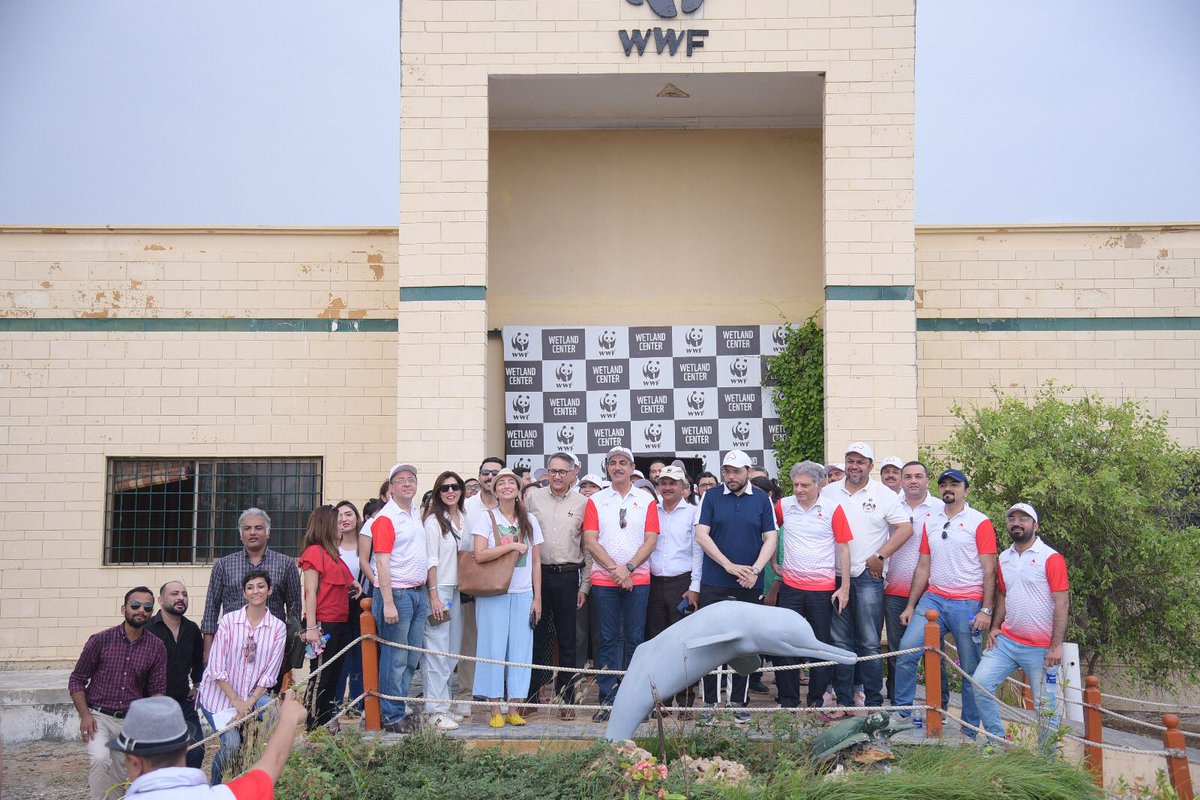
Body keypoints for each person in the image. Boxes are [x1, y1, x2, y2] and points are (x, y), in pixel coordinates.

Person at [892, 469, 998, 736]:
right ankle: (902, 712)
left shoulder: (980, 522)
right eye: (944, 484)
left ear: (966, 490)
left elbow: (990, 569)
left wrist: (986, 609)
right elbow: (923, 566)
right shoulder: (931, 520)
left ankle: (969, 728)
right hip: (934, 599)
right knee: (907, 650)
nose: (948, 488)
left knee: (970, 668)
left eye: (955, 484)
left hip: (968, 602)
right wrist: (910, 605)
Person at [820, 443, 912, 710]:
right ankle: (844, 700)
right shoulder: (829, 491)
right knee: (839, 642)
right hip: (835, 576)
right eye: (850, 461)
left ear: (871, 466)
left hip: (867, 576)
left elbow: (905, 529)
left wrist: (880, 556)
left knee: (870, 643)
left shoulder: (884, 494)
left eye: (861, 462)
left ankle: (873, 702)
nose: (854, 466)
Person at [973, 503, 1069, 749]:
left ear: (1035, 526)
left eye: (1023, 519)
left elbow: (1061, 603)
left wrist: (1056, 646)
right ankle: (997, 743)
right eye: (1012, 519)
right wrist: (995, 626)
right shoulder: (1004, 558)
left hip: (1041, 649)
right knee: (980, 683)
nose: (1016, 523)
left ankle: (1048, 762)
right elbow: (1003, 594)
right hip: (1007, 641)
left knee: (1045, 707)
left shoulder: (1051, 558)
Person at [693, 450, 778, 722]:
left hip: (749, 584)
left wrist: (755, 570)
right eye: (727, 471)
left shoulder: (762, 499)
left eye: (736, 471)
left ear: (747, 472)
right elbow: (701, 535)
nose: (730, 476)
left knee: (744, 644)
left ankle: (738, 702)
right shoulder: (711, 496)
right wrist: (728, 565)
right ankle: (709, 704)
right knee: (710, 643)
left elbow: (771, 538)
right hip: (714, 582)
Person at [106, 691, 309, 799]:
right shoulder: (226, 796)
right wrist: (288, 718)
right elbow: (270, 766)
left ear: (134, 762)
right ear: (185, 747)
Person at [582, 446, 660, 721]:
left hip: (638, 579)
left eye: (623, 463)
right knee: (607, 638)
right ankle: (608, 700)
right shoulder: (596, 500)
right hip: (605, 581)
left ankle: (633, 702)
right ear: (607, 467)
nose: (617, 467)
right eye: (612, 463)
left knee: (635, 639)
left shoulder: (647, 500)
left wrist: (627, 568)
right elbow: (590, 540)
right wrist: (616, 571)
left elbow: (651, 539)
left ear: (632, 467)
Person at [69, 586, 168, 800]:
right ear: (124, 608)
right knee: (100, 759)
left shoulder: (157, 647)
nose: (141, 610)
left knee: (120, 775)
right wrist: (85, 715)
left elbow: (157, 691)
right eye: (135, 605)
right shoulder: (100, 640)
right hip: (98, 717)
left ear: (152, 612)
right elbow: (77, 680)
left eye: (147, 607)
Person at [773, 461, 852, 714]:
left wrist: (845, 587)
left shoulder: (832, 508)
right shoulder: (783, 505)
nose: (799, 490)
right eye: (796, 485)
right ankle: (788, 700)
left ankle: (816, 700)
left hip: (822, 589)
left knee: (820, 644)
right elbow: (770, 533)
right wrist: (774, 562)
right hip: (790, 587)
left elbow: (844, 548)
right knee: (785, 643)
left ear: (820, 484)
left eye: (805, 485)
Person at [196, 570, 287, 785]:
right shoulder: (229, 621)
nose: (256, 591)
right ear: (244, 593)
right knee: (232, 744)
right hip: (219, 696)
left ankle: (259, 769)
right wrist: (237, 702)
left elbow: (270, 674)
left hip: (252, 694)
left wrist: (249, 703)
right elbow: (216, 668)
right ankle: (215, 787)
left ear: (269, 590)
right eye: (250, 587)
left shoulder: (278, 628)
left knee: (274, 715)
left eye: (261, 586)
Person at [471, 468, 544, 728]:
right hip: (494, 592)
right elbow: (480, 554)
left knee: (521, 651)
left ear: (518, 488)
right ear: (494, 490)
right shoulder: (485, 517)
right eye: (500, 483)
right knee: (492, 649)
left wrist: (537, 597)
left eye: (510, 482)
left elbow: (536, 561)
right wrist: (511, 546)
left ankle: (514, 707)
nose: (505, 486)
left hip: (523, 593)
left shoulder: (530, 520)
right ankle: (494, 708)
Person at [201, 508, 301, 684]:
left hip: (271, 647)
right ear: (241, 535)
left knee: (267, 696)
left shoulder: (286, 564)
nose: (253, 532)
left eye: (258, 528)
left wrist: (287, 652)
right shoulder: (223, 565)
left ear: (268, 532)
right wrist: (208, 651)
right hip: (232, 647)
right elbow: (211, 609)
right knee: (231, 696)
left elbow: (294, 611)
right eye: (247, 528)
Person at [525, 452, 590, 719]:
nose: (557, 476)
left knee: (567, 640)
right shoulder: (533, 498)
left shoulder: (584, 503)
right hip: (538, 576)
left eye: (563, 471)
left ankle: (566, 698)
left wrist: (585, 585)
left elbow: (587, 546)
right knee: (536, 637)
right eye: (553, 471)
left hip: (568, 576)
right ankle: (531, 696)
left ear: (573, 473)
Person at [372, 462, 430, 734]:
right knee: (394, 658)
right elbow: (381, 562)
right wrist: (388, 602)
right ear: (391, 487)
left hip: (417, 592)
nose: (407, 484)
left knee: (410, 658)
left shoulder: (414, 513)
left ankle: (400, 706)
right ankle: (391, 715)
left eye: (411, 479)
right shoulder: (386, 518)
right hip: (397, 593)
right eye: (401, 480)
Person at [883, 461, 944, 703]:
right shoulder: (891, 505)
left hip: (931, 593)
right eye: (907, 476)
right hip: (895, 589)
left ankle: (939, 703)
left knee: (933, 651)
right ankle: (897, 705)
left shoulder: (940, 508)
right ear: (901, 480)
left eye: (918, 476)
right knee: (897, 650)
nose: (913, 481)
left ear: (927, 480)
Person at [298, 505, 360, 732]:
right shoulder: (315, 552)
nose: (341, 526)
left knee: (334, 675)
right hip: (323, 623)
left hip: (341, 621)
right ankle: (312, 726)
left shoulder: (333, 554)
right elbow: (310, 591)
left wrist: (353, 583)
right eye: (337, 523)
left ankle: (324, 722)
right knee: (321, 676)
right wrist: (311, 627)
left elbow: (345, 578)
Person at [645, 464, 701, 708]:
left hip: (682, 583)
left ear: (684, 487)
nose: (667, 487)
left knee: (685, 644)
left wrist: (695, 586)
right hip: (654, 583)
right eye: (663, 483)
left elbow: (698, 553)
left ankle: (686, 700)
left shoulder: (693, 513)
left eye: (673, 483)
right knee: (658, 644)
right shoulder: (650, 511)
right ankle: (662, 700)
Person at [421, 470, 468, 730]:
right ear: (438, 493)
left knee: (451, 650)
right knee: (436, 650)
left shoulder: (463, 517)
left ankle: (445, 704)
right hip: (439, 591)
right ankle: (435, 710)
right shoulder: (433, 521)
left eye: (455, 487)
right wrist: (434, 596)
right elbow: (431, 560)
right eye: (445, 488)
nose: (450, 491)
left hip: (458, 590)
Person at [146, 581, 205, 770]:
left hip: (183, 703)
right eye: (174, 594)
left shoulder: (192, 629)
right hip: (152, 705)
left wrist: (197, 685)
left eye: (184, 594)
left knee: (195, 751)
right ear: (161, 600)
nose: (181, 598)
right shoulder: (147, 629)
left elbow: (198, 661)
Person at [333, 501, 365, 714]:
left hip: (361, 606)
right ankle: (335, 705)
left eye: (348, 514)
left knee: (361, 656)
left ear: (356, 518)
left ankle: (357, 704)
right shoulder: (332, 548)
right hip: (338, 606)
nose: (344, 519)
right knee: (340, 658)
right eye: (340, 516)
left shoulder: (366, 545)